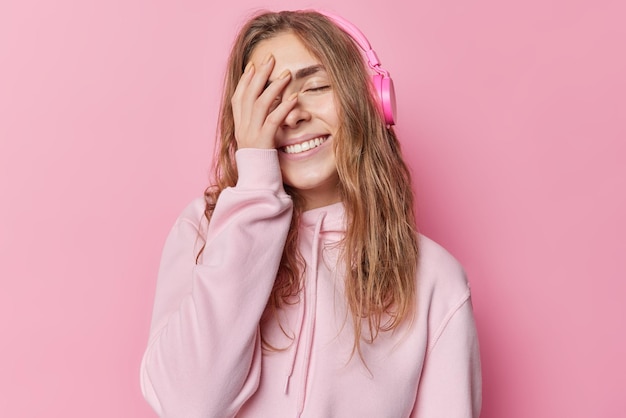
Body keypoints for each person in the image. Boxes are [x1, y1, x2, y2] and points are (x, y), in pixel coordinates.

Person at [140, 9, 482, 418]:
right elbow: (187, 405)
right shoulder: (204, 231)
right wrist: (254, 192)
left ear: (370, 100)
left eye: (316, 86)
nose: (293, 114)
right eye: (267, 98)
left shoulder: (436, 280)